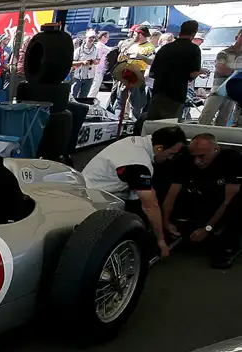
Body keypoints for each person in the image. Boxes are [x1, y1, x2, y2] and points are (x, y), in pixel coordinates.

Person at [82, 126, 187, 258]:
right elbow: (150, 206)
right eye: (171, 154)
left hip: (96, 186)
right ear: (159, 148)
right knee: (141, 217)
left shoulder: (136, 141)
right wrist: (161, 240)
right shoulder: (138, 163)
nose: (170, 158)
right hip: (95, 199)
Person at [160, 134, 242, 267]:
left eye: (202, 156)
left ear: (216, 150)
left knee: (238, 202)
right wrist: (165, 221)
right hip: (199, 196)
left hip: (225, 202)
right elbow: (172, 194)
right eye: (194, 157)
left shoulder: (233, 160)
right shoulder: (184, 160)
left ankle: (230, 246)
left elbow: (229, 201)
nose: (197, 161)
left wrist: (207, 229)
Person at [147, 20, 201, 121]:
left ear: (180, 32)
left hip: (158, 92)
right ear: (193, 34)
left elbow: (152, 73)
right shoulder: (194, 49)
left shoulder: (165, 48)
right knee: (169, 127)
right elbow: (193, 74)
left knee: (152, 125)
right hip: (176, 94)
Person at [198, 28, 242, 127]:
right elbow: (221, 70)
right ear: (236, 37)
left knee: (224, 118)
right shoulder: (224, 53)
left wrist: (232, 70)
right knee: (208, 114)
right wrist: (237, 71)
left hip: (233, 89)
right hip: (219, 87)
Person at [114, 25, 156, 118]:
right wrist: (122, 54)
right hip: (125, 74)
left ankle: (135, 123)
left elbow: (152, 61)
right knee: (120, 99)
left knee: (136, 103)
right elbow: (121, 59)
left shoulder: (150, 47)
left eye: (135, 34)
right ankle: (118, 120)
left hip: (138, 75)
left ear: (140, 35)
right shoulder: (131, 45)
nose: (133, 35)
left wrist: (140, 56)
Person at [71, 31, 100, 99]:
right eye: (90, 37)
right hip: (78, 76)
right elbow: (72, 63)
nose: (91, 39)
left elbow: (98, 60)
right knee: (73, 96)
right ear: (85, 38)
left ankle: (80, 109)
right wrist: (82, 62)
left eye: (93, 37)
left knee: (84, 98)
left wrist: (94, 61)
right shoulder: (79, 50)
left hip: (89, 77)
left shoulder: (96, 50)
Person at [89, 31, 111, 97]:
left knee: (92, 86)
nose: (108, 39)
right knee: (95, 87)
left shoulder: (95, 44)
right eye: (107, 37)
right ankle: (89, 101)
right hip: (98, 70)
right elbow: (111, 50)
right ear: (103, 37)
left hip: (93, 68)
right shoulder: (101, 46)